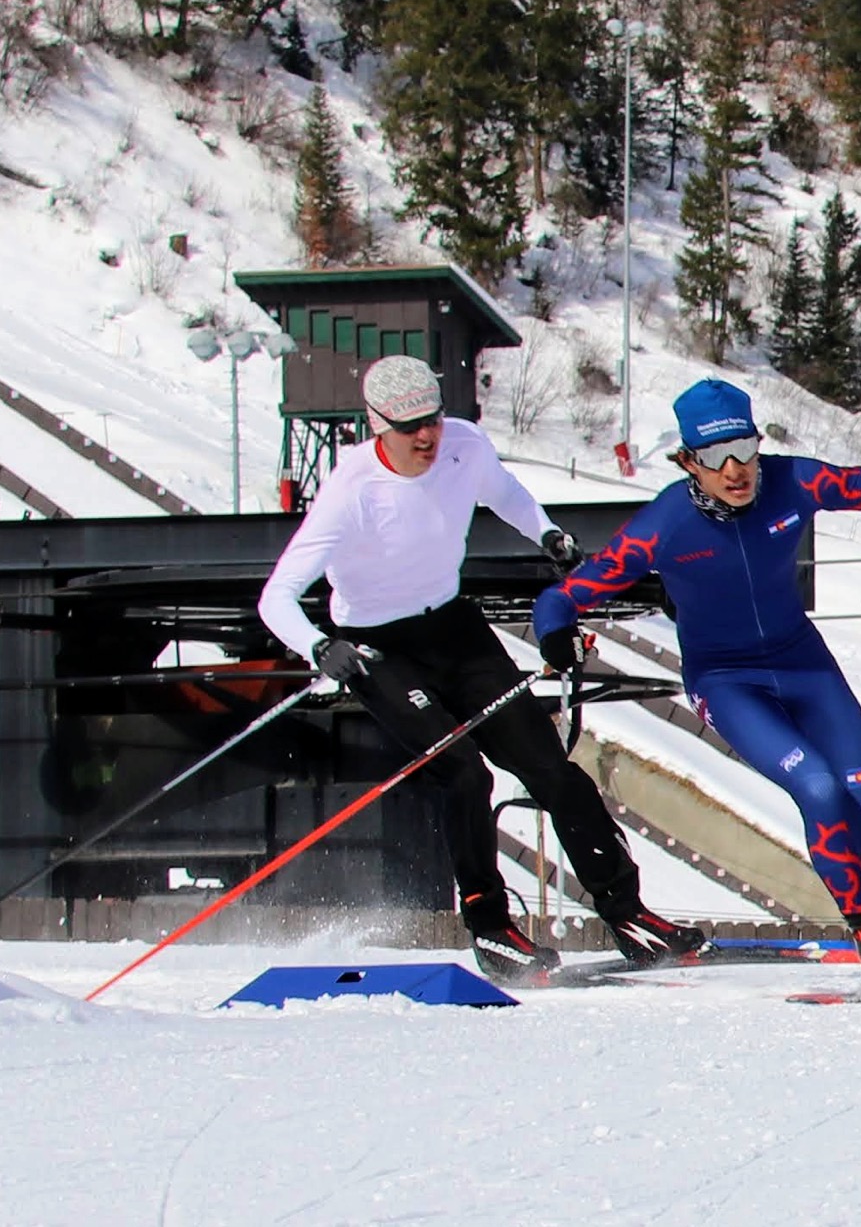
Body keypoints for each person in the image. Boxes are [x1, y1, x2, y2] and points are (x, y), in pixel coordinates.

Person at [532, 378, 861, 1000]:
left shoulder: (792, 480)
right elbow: (561, 597)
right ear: (688, 461)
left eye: (744, 449)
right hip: (725, 679)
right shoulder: (666, 523)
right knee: (819, 787)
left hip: (803, 663)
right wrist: (556, 636)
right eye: (715, 457)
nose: (736, 470)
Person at [258, 355, 703, 984]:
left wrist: (548, 534)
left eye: (433, 420)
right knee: (464, 774)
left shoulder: (464, 446)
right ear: (376, 424)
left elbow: (504, 494)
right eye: (408, 426)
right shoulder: (351, 490)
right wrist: (318, 646)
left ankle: (628, 914)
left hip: (453, 629)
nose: (426, 437)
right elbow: (275, 597)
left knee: (553, 770)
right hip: (375, 647)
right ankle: (493, 929)